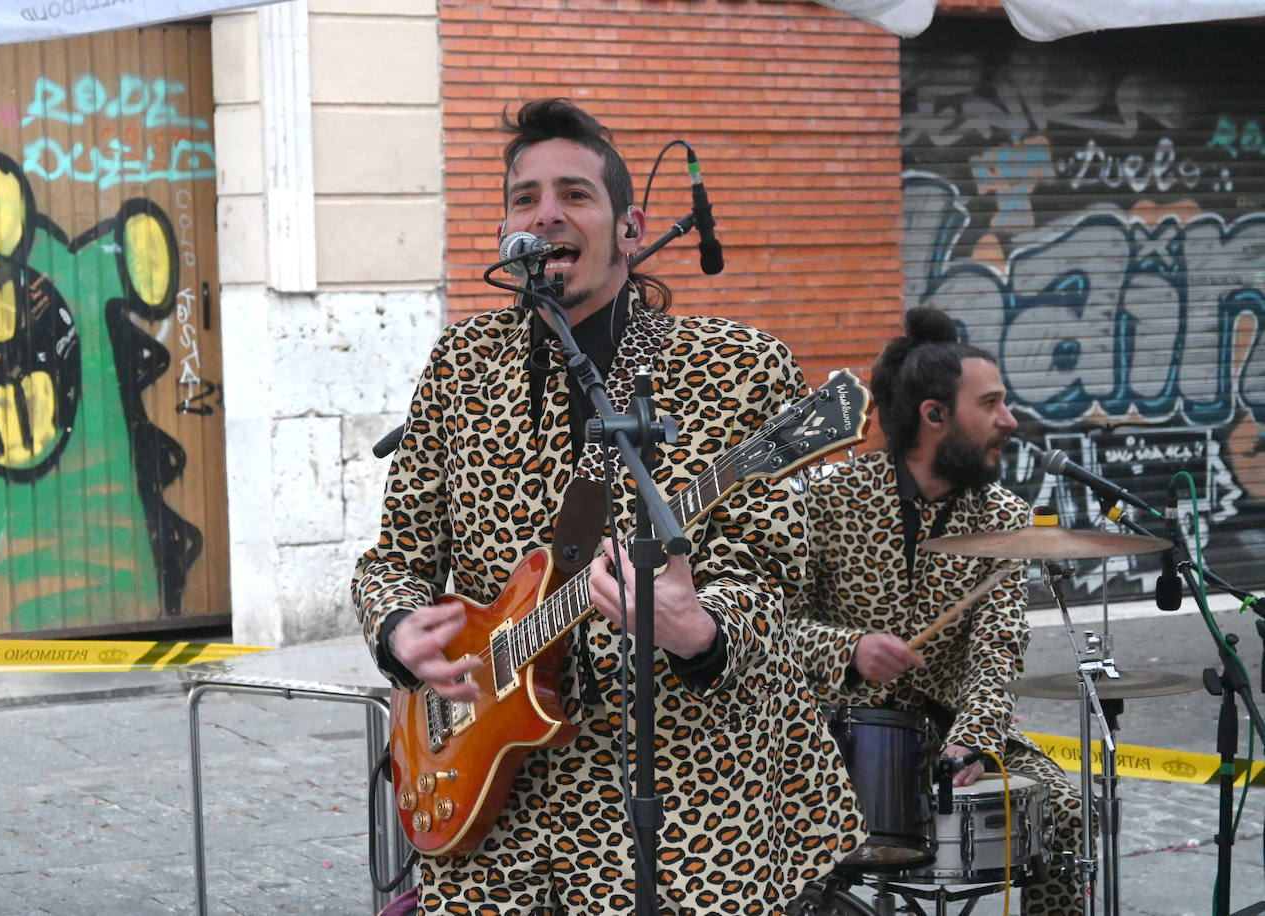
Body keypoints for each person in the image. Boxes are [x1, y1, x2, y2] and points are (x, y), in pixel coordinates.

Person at [352, 98, 864, 915]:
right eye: (525, 198)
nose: (546, 212)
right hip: (492, 808)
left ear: (630, 229)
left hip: (686, 808)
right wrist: (396, 627)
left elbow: (776, 579)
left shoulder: (733, 366)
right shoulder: (461, 365)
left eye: (575, 194)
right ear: (505, 234)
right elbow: (396, 555)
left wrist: (703, 629)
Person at [790, 305, 1085, 914]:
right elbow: (767, 624)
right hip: (832, 736)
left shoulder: (1004, 515)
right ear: (934, 415)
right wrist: (847, 649)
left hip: (950, 730)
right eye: (992, 404)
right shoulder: (827, 498)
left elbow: (998, 647)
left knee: (1068, 813)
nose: (1010, 419)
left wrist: (973, 740)